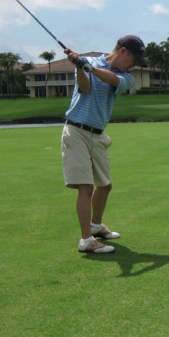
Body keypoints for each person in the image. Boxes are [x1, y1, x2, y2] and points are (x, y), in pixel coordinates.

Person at [62, 35, 147, 253]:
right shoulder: (87, 63)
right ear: (123, 51)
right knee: (85, 187)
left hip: (98, 135)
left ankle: (96, 226)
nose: (135, 65)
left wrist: (86, 66)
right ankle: (86, 240)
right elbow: (85, 88)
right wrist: (80, 67)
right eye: (134, 60)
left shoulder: (124, 77)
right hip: (77, 131)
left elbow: (112, 80)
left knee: (105, 185)